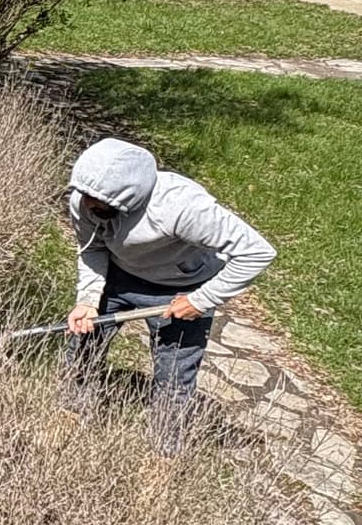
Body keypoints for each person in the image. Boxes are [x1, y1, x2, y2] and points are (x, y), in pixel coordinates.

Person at [64, 137, 275, 445]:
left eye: (101, 203)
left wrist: (201, 300)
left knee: (175, 374)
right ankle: (71, 412)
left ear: (130, 195)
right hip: (117, 275)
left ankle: (163, 451)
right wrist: (87, 298)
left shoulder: (182, 206)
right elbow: (92, 247)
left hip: (181, 288)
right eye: (87, 198)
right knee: (82, 345)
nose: (90, 206)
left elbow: (256, 252)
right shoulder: (82, 202)